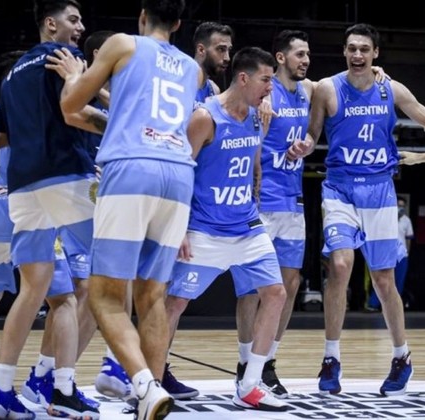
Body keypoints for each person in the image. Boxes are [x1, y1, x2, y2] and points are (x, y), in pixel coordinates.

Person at [46, 0, 201, 418]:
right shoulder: (191, 68)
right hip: (179, 175)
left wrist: (75, 75)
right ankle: (150, 399)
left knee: (103, 295)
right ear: (178, 23)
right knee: (153, 295)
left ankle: (144, 385)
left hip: (133, 170)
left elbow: (70, 105)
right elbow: (137, 110)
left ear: (142, 15)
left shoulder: (123, 44)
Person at [287, 22, 425, 396]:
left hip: (379, 191)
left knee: (383, 281)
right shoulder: (328, 88)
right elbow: (313, 134)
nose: (357, 55)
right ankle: (331, 358)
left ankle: (402, 356)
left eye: (364, 49)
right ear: (344, 52)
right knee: (340, 266)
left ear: (375, 53)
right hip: (339, 189)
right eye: (351, 48)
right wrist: (304, 145)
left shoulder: (390, 88)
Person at [0, 1, 104, 418]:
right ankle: (72, 385)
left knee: (33, 290)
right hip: (66, 174)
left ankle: (0, 390)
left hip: (22, 186)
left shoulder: (12, 75)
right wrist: (119, 125)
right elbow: (75, 112)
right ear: (51, 24)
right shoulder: (66, 57)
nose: (80, 27)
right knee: (121, 263)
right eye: (73, 19)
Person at [164, 46, 290, 412]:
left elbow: (253, 163)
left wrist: (255, 193)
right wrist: (178, 227)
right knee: (174, 304)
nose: (271, 88)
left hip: (247, 226)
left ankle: (250, 384)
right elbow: (180, 172)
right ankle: (151, 381)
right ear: (244, 78)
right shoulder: (205, 117)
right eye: (266, 80)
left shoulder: (256, 116)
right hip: (204, 228)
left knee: (276, 293)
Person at [229, 29, 315, 399]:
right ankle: (244, 362)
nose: (305, 60)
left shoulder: (308, 90)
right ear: (280, 58)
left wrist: (376, 70)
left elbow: (344, 81)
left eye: (307, 54)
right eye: (299, 54)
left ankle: (267, 363)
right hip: (261, 200)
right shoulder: (263, 92)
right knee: (252, 289)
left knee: (290, 284)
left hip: (293, 201)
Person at [157, 21, 234, 402]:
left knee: (170, 296)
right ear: (201, 50)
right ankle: (138, 370)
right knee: (156, 294)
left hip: (188, 196)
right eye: (221, 49)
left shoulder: (215, 93)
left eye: (229, 49)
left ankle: (152, 369)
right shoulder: (180, 84)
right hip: (165, 190)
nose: (227, 56)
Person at [366, 196, 414, 311]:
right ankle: (374, 304)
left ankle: (393, 306)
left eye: (402, 206)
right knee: (382, 279)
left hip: (401, 255)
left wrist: (407, 252)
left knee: (399, 281)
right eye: (398, 205)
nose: (400, 208)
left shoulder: (406, 220)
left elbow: (408, 239)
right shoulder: (384, 218)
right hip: (386, 254)